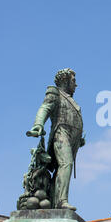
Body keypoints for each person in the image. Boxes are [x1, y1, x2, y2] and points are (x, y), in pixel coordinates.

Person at [26, 68, 85, 211]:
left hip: (72, 140)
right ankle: (61, 201)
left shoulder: (71, 100)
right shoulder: (55, 93)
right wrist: (38, 124)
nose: (75, 85)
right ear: (65, 80)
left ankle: (54, 200)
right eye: (73, 81)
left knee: (63, 168)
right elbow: (45, 108)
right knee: (66, 164)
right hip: (60, 133)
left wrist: (79, 139)